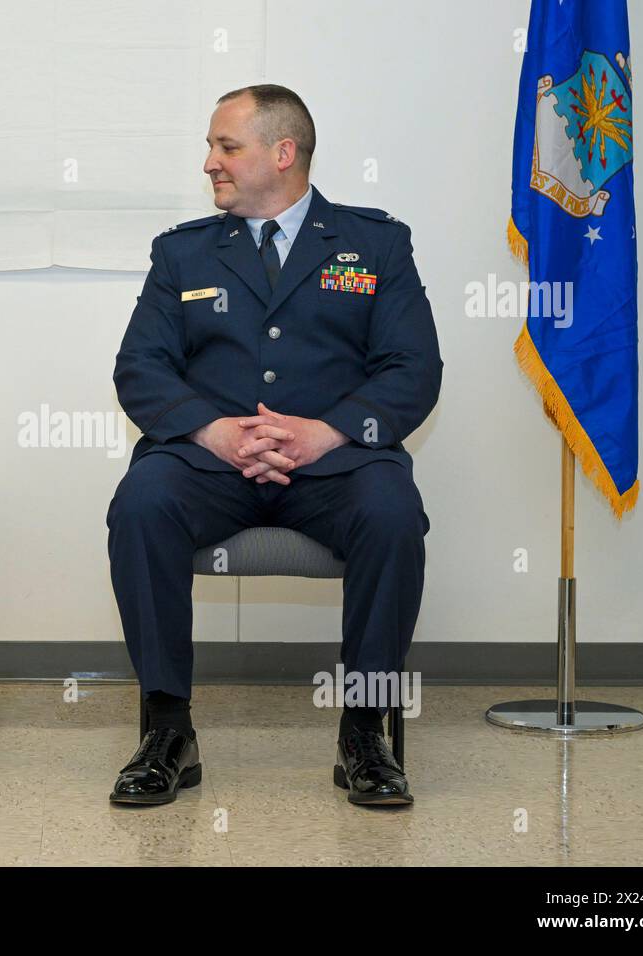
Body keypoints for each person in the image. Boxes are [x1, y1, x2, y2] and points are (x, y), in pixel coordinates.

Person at [107, 85, 442, 807]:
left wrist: (326, 432)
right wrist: (214, 431)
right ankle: (167, 729)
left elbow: (414, 369)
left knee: (392, 512)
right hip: (211, 464)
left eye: (226, 147)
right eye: (212, 147)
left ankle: (364, 730)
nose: (210, 163)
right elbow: (140, 366)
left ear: (282, 153)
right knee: (142, 503)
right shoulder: (182, 252)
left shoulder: (376, 242)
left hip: (337, 464)